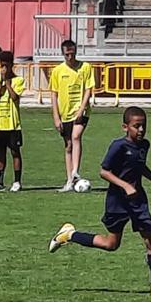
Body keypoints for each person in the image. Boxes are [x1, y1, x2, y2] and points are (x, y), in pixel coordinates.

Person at [48, 106, 151, 298]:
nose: (140, 130)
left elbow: (140, 167)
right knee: (111, 244)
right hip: (118, 200)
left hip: (137, 201)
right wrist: (125, 186)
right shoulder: (118, 146)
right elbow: (104, 172)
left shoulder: (144, 145)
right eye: (136, 126)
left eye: (143, 126)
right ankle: (69, 235)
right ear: (125, 127)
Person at [49, 39, 95, 191]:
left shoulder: (86, 67)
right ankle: (69, 180)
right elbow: (54, 95)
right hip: (65, 112)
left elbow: (89, 89)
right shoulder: (57, 71)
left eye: (72, 53)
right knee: (68, 145)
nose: (70, 57)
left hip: (81, 111)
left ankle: (75, 171)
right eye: (67, 54)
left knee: (76, 136)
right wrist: (56, 116)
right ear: (63, 54)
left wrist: (82, 108)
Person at [0, 51, 26, 193]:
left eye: (6, 66)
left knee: (15, 152)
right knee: (0, 153)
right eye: (2, 66)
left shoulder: (18, 80)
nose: (4, 69)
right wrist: (1, 84)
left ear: (11, 66)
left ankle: (17, 181)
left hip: (13, 124)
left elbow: (15, 97)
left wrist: (8, 84)